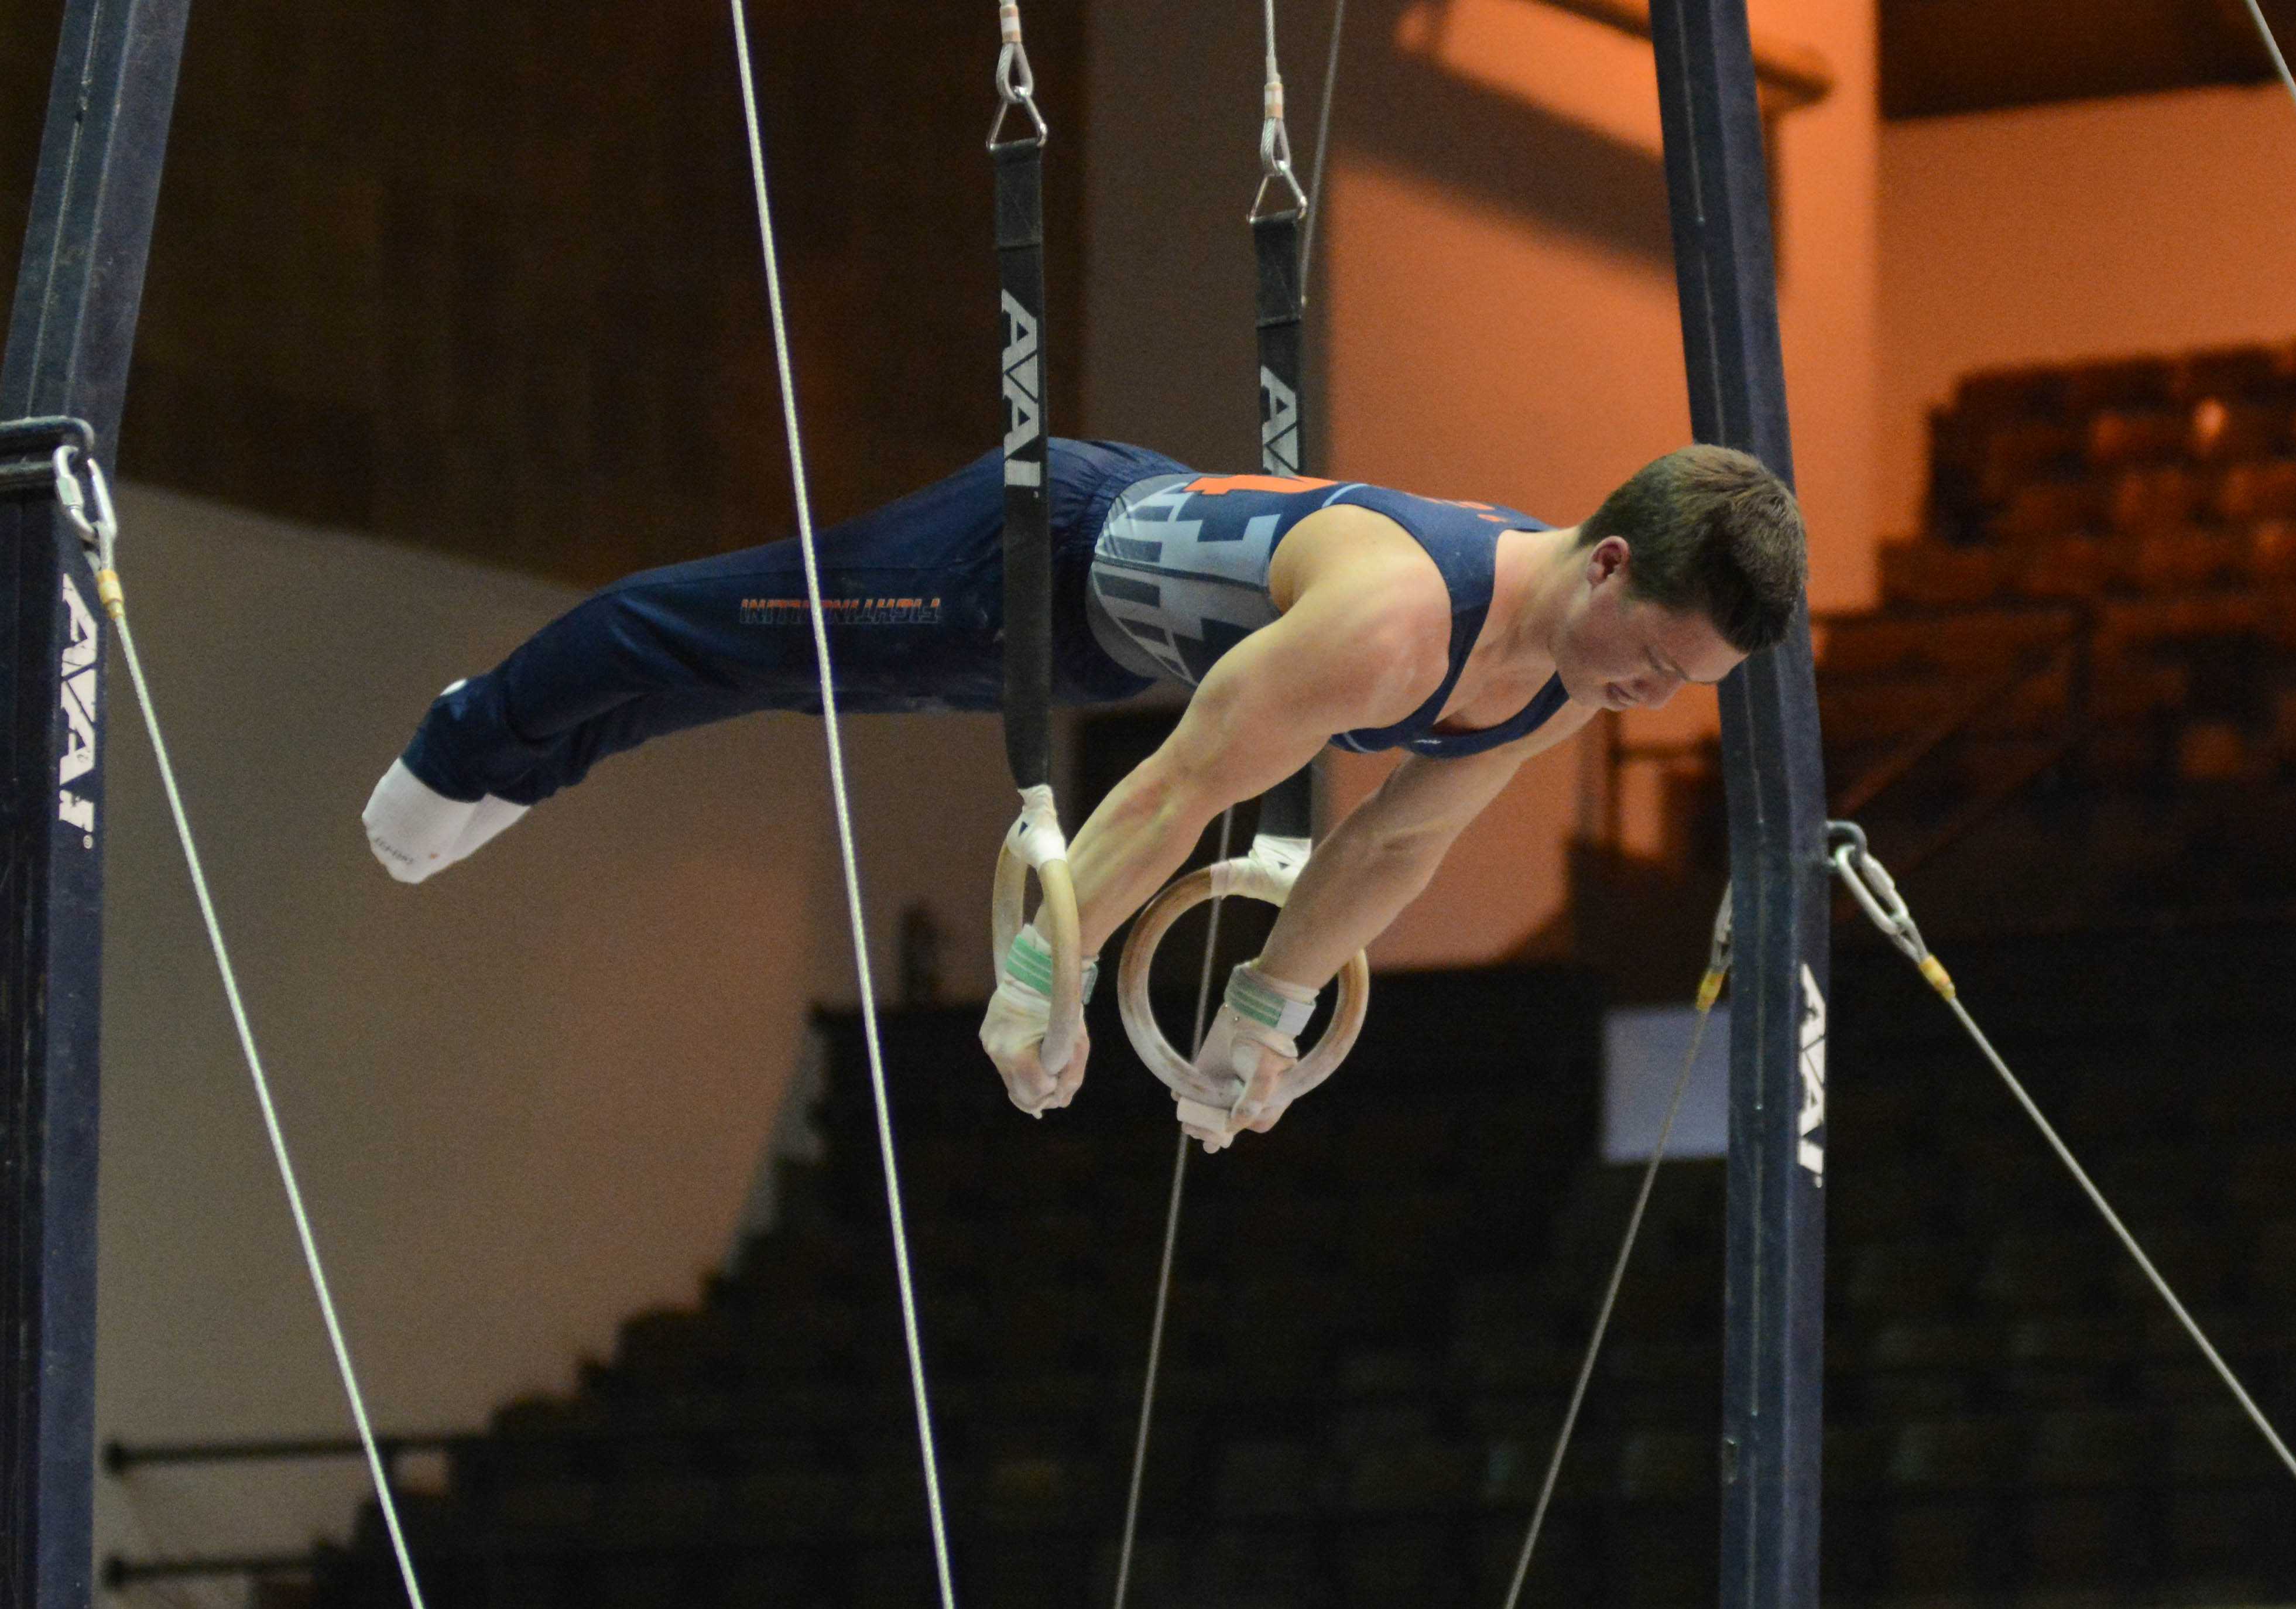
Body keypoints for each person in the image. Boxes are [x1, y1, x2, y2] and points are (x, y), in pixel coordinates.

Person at [364, 437, 1807, 1145]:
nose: (1647, 698)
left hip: (1100, 648)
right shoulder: (1392, 623)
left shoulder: (1554, 673)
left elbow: (1393, 845)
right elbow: (1176, 794)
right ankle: (475, 736)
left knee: (761, 686)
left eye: (1683, 688)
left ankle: (524, 756)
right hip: (1024, 560)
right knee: (720, 644)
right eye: (1654, 661)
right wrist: (1041, 980)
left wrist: (1265, 1016)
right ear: (1608, 562)